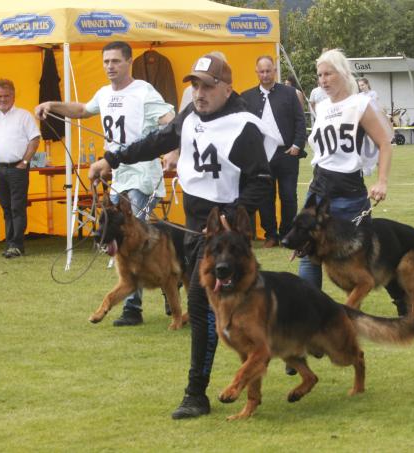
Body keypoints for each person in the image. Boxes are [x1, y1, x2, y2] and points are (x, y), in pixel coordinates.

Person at [84, 54, 279, 419]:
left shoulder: (244, 126)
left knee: (208, 311)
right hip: (193, 230)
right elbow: (155, 141)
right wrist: (112, 158)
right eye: (195, 85)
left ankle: (197, 393)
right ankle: (273, 352)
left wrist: (231, 214)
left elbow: (262, 181)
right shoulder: (190, 116)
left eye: (207, 86)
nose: (199, 93)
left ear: (226, 88)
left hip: (225, 241)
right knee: (222, 310)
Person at [35, 41, 175, 327]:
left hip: (143, 176)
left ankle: (133, 308)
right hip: (117, 176)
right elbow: (82, 110)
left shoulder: (144, 92)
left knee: (134, 240)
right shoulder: (104, 93)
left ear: (129, 62)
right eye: (106, 61)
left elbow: (170, 120)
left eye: (115, 61)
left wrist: (173, 152)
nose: (110, 66)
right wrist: (52, 105)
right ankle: (169, 283)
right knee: (131, 240)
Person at [298, 48, 393, 290]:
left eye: (328, 74)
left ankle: (400, 300)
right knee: (307, 251)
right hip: (318, 189)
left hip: (349, 193)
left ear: (342, 73)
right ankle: (309, 307)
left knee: (359, 255)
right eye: (320, 75)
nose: (323, 80)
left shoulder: (360, 104)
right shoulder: (321, 107)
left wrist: (382, 181)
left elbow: (384, 143)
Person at [242, 55, 307, 248]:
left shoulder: (290, 93)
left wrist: (297, 145)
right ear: (256, 72)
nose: (265, 75)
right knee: (264, 198)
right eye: (261, 71)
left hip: (287, 153)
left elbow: (300, 120)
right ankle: (270, 235)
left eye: (268, 71)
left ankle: (287, 233)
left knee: (288, 196)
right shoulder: (247, 97)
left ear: (274, 71)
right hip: (262, 157)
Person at [0, 79, 40, 258]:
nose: (2, 99)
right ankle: (10, 243)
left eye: (6, 96)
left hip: (17, 168)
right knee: (6, 208)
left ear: (13, 96)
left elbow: (35, 139)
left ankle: (16, 245)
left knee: (17, 207)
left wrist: (24, 162)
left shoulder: (24, 116)